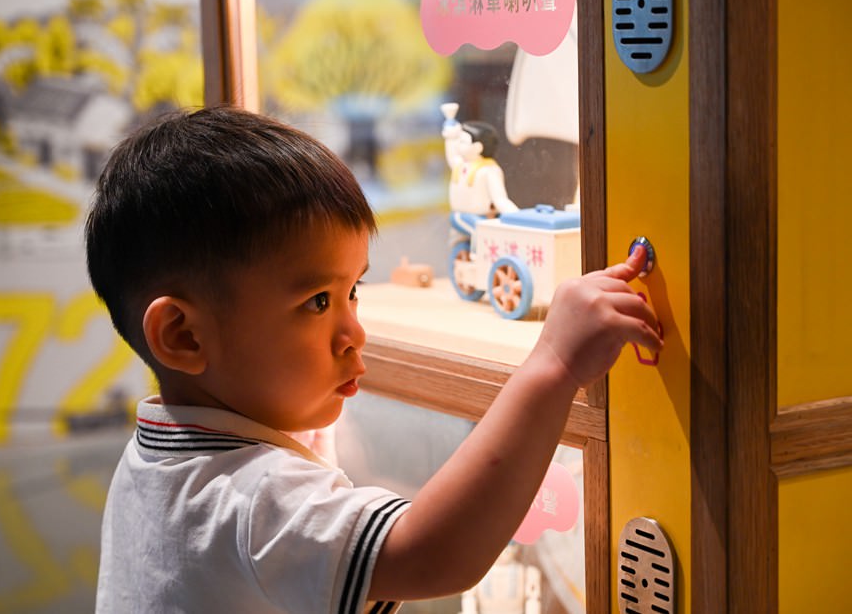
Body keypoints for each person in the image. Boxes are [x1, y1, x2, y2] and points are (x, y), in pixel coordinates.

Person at [86, 106, 663, 613]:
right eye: (317, 302)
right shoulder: (247, 497)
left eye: (353, 291)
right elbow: (431, 555)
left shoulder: (156, 459)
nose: (353, 334)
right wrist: (554, 365)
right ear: (183, 337)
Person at [442, 104, 519, 247]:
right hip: (461, 216)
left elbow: (500, 199)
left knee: (489, 233)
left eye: (462, 141)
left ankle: (483, 255)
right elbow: (451, 154)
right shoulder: (460, 165)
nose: (458, 145)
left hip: (487, 218)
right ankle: (478, 256)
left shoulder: (489, 170)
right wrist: (450, 134)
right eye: (458, 141)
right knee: (481, 232)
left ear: (478, 148)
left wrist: (517, 216)